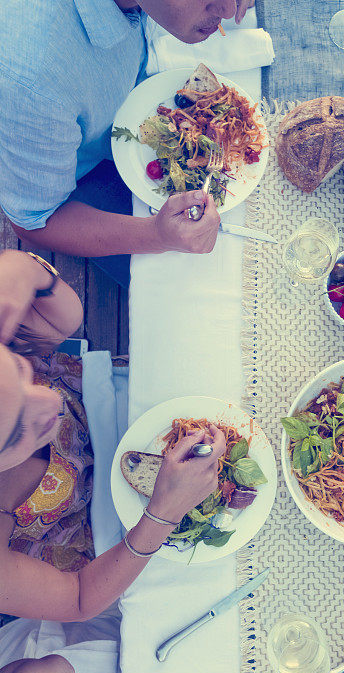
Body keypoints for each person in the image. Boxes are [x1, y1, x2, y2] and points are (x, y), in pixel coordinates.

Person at [0, 247, 225, 622]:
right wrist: (163, 514)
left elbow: (64, 322)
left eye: (20, 372)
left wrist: (23, 270)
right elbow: (78, 600)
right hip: (106, 539)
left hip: (98, 400)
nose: (47, 400)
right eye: (16, 429)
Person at [0, 0, 255, 286]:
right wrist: (156, 235)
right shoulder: (30, 81)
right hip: (80, 183)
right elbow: (34, 222)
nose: (229, 12)